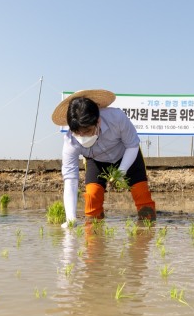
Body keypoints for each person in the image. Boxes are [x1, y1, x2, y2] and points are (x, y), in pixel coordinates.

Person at [52, 89, 156, 227]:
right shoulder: (70, 141)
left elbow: (132, 145)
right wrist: (70, 218)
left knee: (141, 194)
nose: (83, 137)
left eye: (88, 131)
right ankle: (95, 241)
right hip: (96, 160)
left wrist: (121, 171)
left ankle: (147, 232)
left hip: (126, 154)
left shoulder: (117, 118)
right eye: (78, 133)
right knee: (92, 197)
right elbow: (70, 179)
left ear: (98, 121)